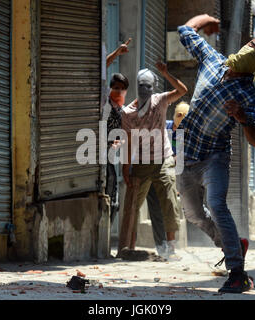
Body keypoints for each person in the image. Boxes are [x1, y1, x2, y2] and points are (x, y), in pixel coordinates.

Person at [175, 14, 255, 293]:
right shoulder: (212, 60)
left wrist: (242, 117)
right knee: (193, 215)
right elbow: (185, 30)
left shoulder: (250, 97)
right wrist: (206, 18)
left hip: (215, 156)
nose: (249, 51)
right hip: (186, 155)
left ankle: (237, 273)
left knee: (217, 205)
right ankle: (232, 244)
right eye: (250, 45)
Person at [117, 60, 188, 260]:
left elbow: (182, 90)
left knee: (169, 202)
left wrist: (166, 73)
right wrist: (125, 168)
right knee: (133, 205)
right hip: (140, 163)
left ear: (153, 87)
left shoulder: (161, 100)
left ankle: (171, 248)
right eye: (142, 86)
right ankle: (128, 248)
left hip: (164, 159)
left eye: (148, 86)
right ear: (137, 87)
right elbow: (128, 142)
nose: (145, 90)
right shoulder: (128, 113)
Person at [146, 102, 190, 258]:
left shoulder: (186, 135)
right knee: (155, 210)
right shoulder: (164, 127)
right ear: (175, 115)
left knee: (170, 208)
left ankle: (170, 248)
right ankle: (161, 247)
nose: (181, 121)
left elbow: (181, 161)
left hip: (169, 176)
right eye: (180, 116)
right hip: (152, 171)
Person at [104, 39, 131, 225]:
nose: (118, 91)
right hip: (97, 152)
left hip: (109, 156)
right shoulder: (103, 100)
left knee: (113, 197)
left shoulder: (123, 111)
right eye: (116, 88)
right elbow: (100, 66)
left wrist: (118, 143)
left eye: (122, 89)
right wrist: (116, 53)